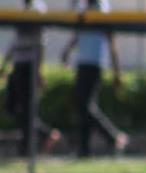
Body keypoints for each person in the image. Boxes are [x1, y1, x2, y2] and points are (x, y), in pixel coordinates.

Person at [61, 0, 128, 157]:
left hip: (95, 64)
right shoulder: (83, 11)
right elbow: (77, 35)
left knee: (84, 105)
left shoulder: (103, 12)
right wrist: (67, 50)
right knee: (84, 106)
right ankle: (85, 150)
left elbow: (112, 44)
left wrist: (117, 72)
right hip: (82, 63)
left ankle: (113, 137)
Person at [0, 0, 61, 156]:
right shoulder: (21, 9)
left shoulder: (38, 8)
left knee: (26, 109)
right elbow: (14, 42)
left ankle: (26, 149)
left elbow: (41, 43)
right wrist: (5, 65)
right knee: (12, 106)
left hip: (30, 64)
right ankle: (45, 133)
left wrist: (39, 71)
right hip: (18, 63)